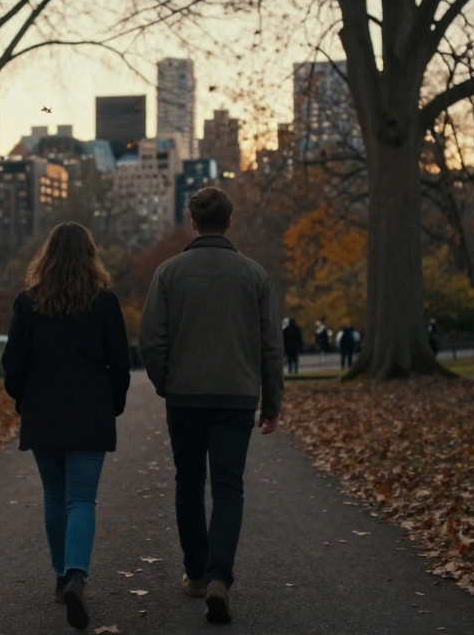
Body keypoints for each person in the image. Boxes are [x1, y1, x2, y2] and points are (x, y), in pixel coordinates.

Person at [139, 187, 282, 625]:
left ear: (193, 222)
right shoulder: (254, 275)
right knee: (228, 487)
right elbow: (270, 346)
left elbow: (151, 340)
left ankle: (197, 574)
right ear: (230, 222)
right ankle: (220, 578)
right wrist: (271, 400)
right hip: (236, 396)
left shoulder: (169, 273)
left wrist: (167, 383)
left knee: (188, 481)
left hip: (185, 395)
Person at [1, 222, 131, 630]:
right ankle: (76, 573)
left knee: (55, 497)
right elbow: (121, 364)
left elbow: (13, 364)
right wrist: (114, 404)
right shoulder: (105, 303)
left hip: (43, 411)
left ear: (48, 257)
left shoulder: (28, 302)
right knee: (81, 499)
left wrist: (23, 400)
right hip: (90, 410)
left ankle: (62, 577)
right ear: (90, 257)